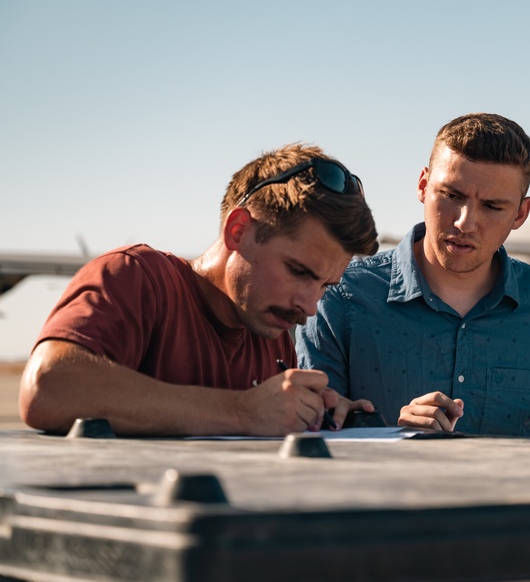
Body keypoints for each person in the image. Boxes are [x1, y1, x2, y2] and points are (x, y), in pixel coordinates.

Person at [19, 143, 379, 436]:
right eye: (298, 271)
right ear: (238, 231)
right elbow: (48, 386)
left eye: (324, 286)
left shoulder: (271, 333)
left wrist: (316, 415)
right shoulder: (138, 277)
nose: (310, 305)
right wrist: (242, 412)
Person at [297, 113, 530, 438]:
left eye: (492, 206)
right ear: (423, 185)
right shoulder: (340, 294)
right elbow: (311, 434)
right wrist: (390, 435)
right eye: (451, 195)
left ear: (521, 213)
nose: (465, 222)